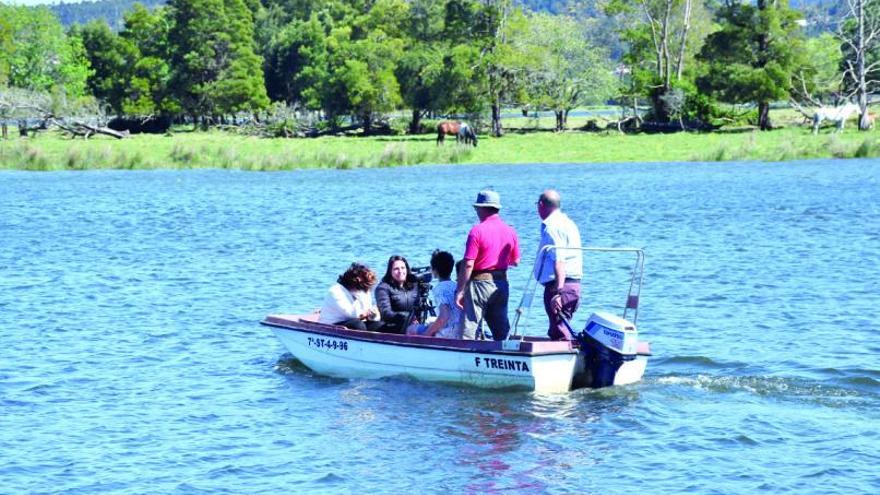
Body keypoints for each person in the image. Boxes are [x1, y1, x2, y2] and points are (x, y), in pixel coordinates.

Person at [455, 190, 521, 340]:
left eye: (477, 208)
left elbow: (468, 264)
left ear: (483, 208)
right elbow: (516, 261)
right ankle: (505, 357)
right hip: (501, 284)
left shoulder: (477, 231)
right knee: (501, 330)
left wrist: (460, 291)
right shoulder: (510, 231)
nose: (476, 211)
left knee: (469, 329)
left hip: (479, 284)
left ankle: (466, 359)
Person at [534, 189, 583, 340]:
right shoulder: (568, 223)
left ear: (541, 205)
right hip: (572, 284)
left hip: (560, 285)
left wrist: (557, 293)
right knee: (559, 326)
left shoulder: (553, 227)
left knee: (559, 331)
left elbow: (559, 260)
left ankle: (565, 359)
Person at [407, 250, 463, 338]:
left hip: (450, 332)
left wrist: (426, 335)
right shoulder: (456, 285)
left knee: (411, 329)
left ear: (435, 270)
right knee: (430, 322)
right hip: (461, 329)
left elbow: (444, 317)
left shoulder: (439, 289)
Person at [318, 262, 381, 331]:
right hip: (332, 325)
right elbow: (351, 314)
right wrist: (366, 313)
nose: (364, 290)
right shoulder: (336, 291)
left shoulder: (364, 291)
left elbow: (368, 311)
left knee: (378, 325)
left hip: (355, 322)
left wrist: (373, 315)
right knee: (357, 324)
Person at [374, 255, 419, 334]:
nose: (400, 271)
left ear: (407, 269)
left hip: (413, 325)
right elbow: (386, 313)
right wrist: (407, 317)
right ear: (390, 271)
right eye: (396, 269)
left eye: (403, 268)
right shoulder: (383, 288)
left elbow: (420, 308)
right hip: (392, 327)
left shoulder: (414, 285)